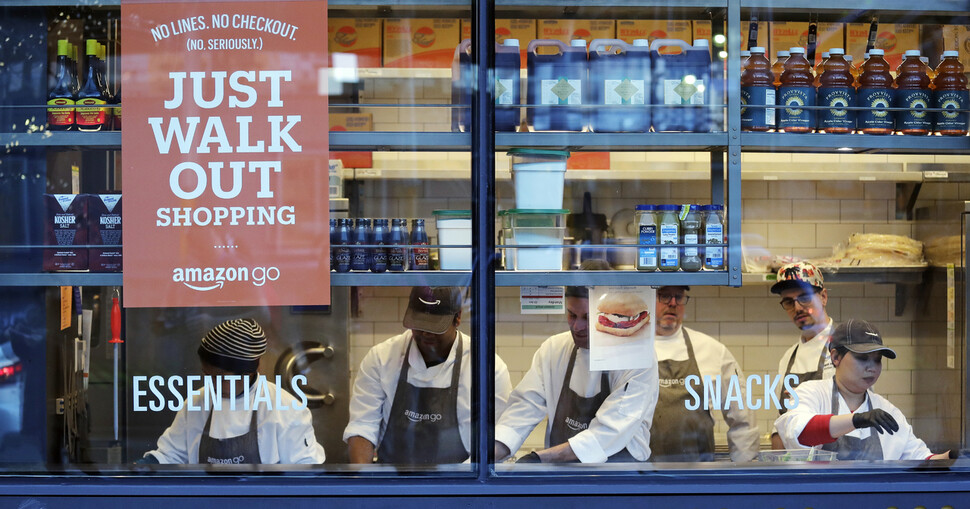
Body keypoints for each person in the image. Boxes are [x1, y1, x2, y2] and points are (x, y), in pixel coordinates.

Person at [494, 270, 659, 463]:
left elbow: (610, 431)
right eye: (572, 315)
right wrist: (489, 455)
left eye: (588, 318)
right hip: (561, 475)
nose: (577, 327)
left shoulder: (637, 358)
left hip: (619, 478)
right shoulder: (554, 349)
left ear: (612, 315)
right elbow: (524, 408)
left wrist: (539, 459)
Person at [344, 286, 512, 464]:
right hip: (392, 483)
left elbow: (495, 440)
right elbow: (362, 426)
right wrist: (363, 484)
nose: (425, 333)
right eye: (419, 324)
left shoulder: (486, 366)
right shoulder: (381, 358)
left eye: (435, 327)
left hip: (460, 483)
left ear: (458, 318)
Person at [139, 318, 326, 464]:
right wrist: (140, 469)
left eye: (221, 377)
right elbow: (169, 456)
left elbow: (305, 474)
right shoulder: (197, 402)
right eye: (208, 375)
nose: (213, 384)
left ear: (249, 372)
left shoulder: (286, 409)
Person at [774, 319, 951, 461]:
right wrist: (856, 420)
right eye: (862, 358)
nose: (872, 367)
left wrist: (954, 457)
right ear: (836, 357)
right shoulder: (812, 393)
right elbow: (800, 434)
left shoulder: (888, 411)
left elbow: (922, 460)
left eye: (877, 360)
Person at [651, 285, 760, 462]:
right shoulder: (631, 350)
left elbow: (743, 419)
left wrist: (744, 474)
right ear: (647, 298)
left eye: (678, 296)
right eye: (664, 296)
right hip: (641, 479)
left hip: (699, 478)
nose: (672, 303)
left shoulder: (713, 351)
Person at [770, 261, 836, 449]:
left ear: (823, 297)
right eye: (789, 302)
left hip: (839, 467)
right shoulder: (788, 358)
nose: (797, 307)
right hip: (797, 470)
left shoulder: (847, 347)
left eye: (804, 297)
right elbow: (783, 420)